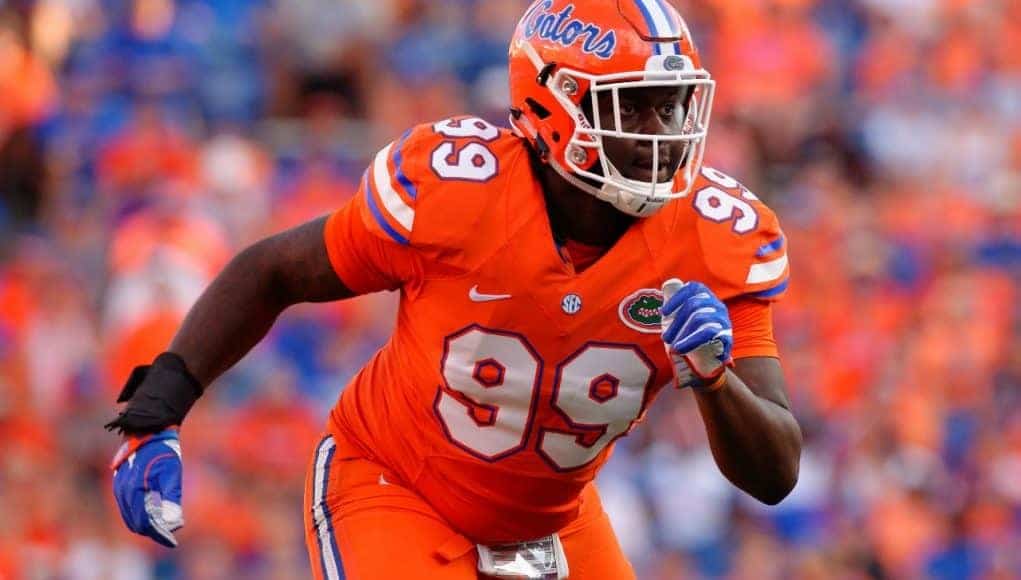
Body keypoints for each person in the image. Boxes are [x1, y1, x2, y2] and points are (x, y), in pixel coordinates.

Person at [105, 1, 803, 578]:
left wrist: (716, 384)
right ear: (554, 107)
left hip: (556, 519)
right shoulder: (456, 193)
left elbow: (775, 472)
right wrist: (155, 409)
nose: (667, 134)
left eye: (673, 107)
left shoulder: (713, 239)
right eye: (640, 109)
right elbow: (274, 270)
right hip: (395, 487)